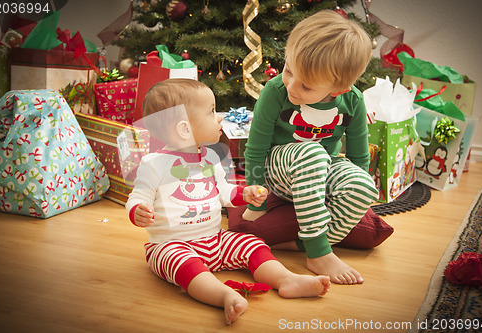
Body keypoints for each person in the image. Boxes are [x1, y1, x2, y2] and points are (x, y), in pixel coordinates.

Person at [126, 79, 331, 325]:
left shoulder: (211, 158)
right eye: (212, 112)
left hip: (215, 239)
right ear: (184, 129)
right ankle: (224, 295)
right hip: (171, 244)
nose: (220, 118)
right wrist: (138, 210)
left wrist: (244, 194)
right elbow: (138, 197)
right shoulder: (153, 163)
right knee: (181, 263)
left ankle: (285, 279)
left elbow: (223, 192)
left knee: (250, 242)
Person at [242, 10, 379, 285]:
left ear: (338, 89)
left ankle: (301, 246)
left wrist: (351, 193)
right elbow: (256, 146)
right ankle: (319, 252)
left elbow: (358, 156)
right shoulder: (275, 92)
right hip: (278, 169)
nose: (291, 87)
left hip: (320, 169)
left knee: (364, 184)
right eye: (288, 70)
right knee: (313, 152)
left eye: (305, 86)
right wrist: (256, 190)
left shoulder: (351, 101)